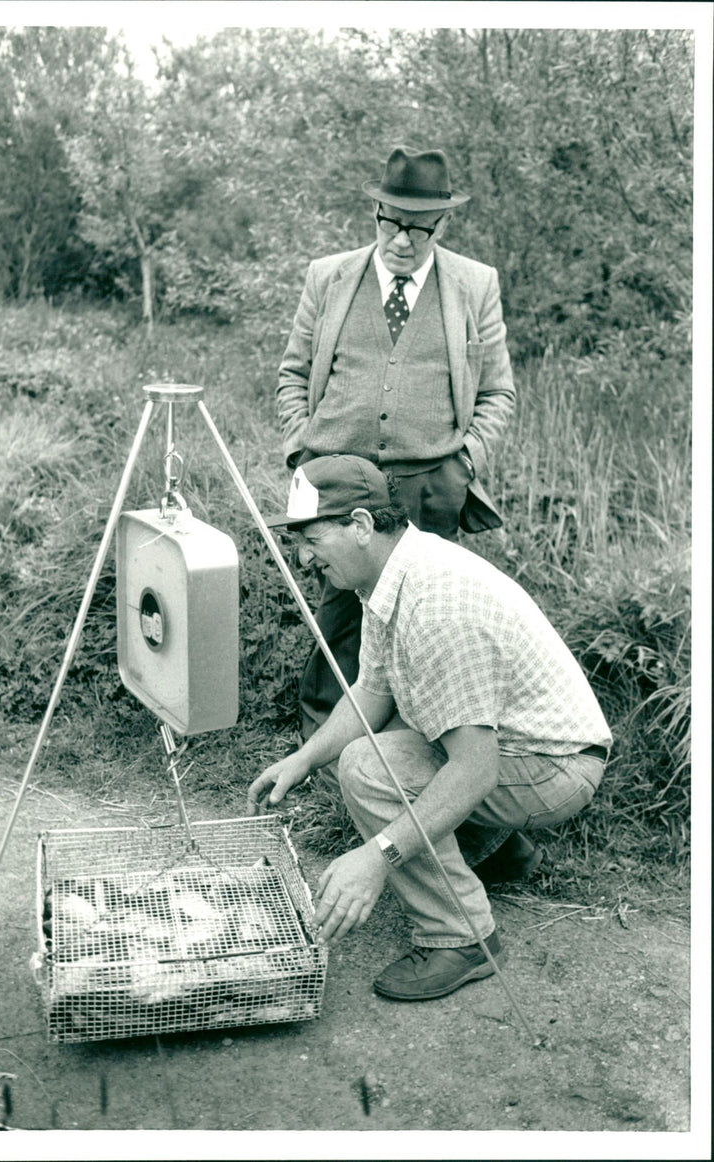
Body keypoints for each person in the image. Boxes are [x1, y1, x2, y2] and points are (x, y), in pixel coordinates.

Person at [248, 455, 612, 1001]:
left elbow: (473, 771)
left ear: (363, 526)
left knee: (371, 769)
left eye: (312, 540)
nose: (302, 557)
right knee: (372, 751)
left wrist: (374, 858)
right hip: (514, 748)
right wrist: (303, 760)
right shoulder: (388, 572)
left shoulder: (438, 602)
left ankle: (462, 938)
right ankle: (499, 851)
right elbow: (372, 692)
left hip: (555, 766)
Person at [276, 146, 516, 742]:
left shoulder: (474, 285)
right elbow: (292, 376)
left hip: (430, 484)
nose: (402, 240)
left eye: (418, 227)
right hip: (334, 479)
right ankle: (323, 754)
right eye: (391, 222)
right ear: (376, 212)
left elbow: (498, 394)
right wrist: (302, 453)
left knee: (427, 623)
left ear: (444, 223)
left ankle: (410, 751)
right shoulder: (327, 276)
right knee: (340, 617)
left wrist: (463, 464)